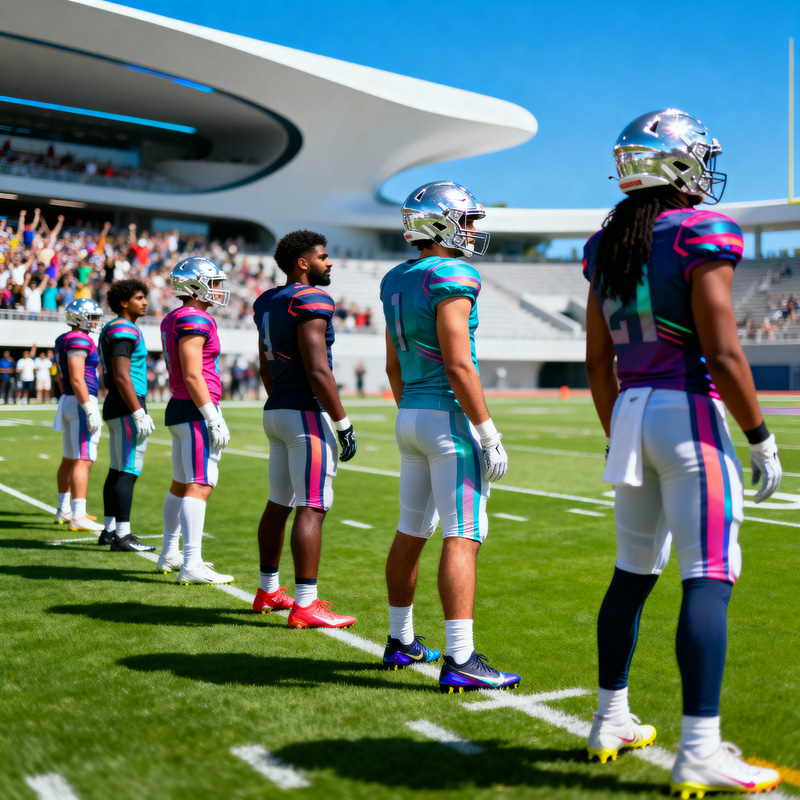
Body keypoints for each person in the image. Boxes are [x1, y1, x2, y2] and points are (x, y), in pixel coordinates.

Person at [582, 110, 782, 796]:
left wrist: (620, 432)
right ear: (676, 163)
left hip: (632, 411)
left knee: (631, 574)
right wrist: (760, 436)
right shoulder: (700, 231)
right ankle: (699, 747)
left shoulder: (606, 244)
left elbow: (597, 363)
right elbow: (723, 354)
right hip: (688, 412)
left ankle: (609, 718)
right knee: (709, 575)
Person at [379, 182, 519, 691]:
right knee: (464, 533)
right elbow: (460, 365)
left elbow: (393, 366)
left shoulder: (396, 278)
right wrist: (488, 433)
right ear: (440, 223)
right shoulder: (453, 274)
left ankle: (400, 640)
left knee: (411, 530)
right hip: (447, 419)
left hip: (411, 414)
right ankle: (460, 657)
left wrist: (414, 415)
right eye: (467, 220)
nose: (474, 230)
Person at [252, 230, 358, 629]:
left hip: (277, 409)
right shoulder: (311, 298)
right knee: (312, 505)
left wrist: (282, 400)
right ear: (303, 263)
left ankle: (268, 590)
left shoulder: (267, 300)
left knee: (278, 502)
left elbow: (264, 366)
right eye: (323, 257)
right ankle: (306, 604)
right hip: (304, 412)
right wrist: (343, 423)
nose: (329, 263)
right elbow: (318, 369)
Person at [157, 257, 234, 584]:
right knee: (199, 484)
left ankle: (169, 552)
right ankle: (191, 562)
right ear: (194, 286)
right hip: (195, 408)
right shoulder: (194, 317)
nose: (218, 289)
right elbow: (192, 373)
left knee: (181, 483)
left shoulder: (174, 317)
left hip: (182, 407)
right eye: (213, 283)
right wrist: (212, 416)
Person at [98, 279, 156, 553]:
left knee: (117, 468)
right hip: (127, 403)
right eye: (139, 298)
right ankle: (122, 535)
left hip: (117, 403)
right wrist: (138, 411)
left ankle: (109, 530)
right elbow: (122, 375)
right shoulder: (124, 328)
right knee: (129, 470)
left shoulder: (115, 327)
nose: (145, 302)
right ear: (124, 302)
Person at [53, 299, 105, 531]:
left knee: (69, 457)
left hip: (69, 399)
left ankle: (64, 509)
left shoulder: (63, 338)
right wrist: (89, 408)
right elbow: (76, 377)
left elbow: (63, 376)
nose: (95, 321)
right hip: (80, 400)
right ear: (79, 317)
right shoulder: (78, 338)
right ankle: (78, 514)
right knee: (84, 458)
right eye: (92, 317)